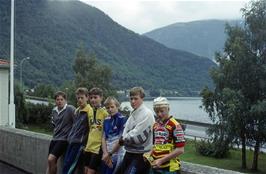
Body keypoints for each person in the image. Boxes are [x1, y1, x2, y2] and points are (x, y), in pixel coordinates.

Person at [115, 87, 155, 174]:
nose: (133, 101)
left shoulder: (147, 114)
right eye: (131, 98)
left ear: (142, 98)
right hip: (129, 152)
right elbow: (126, 129)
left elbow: (137, 136)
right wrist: (124, 137)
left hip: (141, 155)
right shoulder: (133, 113)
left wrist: (123, 139)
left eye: (136, 98)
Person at [145, 97, 185, 174]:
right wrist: (149, 154)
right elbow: (155, 145)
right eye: (157, 112)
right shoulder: (155, 125)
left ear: (168, 109)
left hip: (169, 168)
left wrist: (161, 160)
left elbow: (180, 150)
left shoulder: (175, 125)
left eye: (162, 111)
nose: (159, 114)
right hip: (155, 166)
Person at [62, 87, 92, 174]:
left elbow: (90, 130)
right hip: (71, 141)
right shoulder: (77, 110)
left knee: (70, 167)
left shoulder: (89, 111)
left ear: (87, 98)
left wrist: (84, 144)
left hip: (79, 144)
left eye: (82, 98)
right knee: (66, 164)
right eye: (78, 98)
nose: (80, 100)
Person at [46, 91, 75, 174]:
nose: (59, 101)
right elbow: (54, 125)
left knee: (51, 159)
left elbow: (77, 122)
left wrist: (72, 135)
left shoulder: (70, 109)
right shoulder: (54, 110)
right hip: (55, 138)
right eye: (57, 99)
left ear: (65, 100)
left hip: (64, 139)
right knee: (50, 162)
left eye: (61, 99)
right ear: (55, 101)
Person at [83, 87, 109, 174]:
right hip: (89, 146)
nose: (93, 100)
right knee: (85, 171)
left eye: (95, 97)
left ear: (101, 98)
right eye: (91, 98)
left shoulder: (105, 112)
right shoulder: (89, 112)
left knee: (90, 172)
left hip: (98, 148)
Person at [101, 96, 127, 174]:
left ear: (117, 106)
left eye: (112, 107)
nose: (110, 109)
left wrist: (110, 154)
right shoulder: (106, 120)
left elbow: (121, 140)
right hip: (107, 154)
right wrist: (105, 153)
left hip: (117, 154)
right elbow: (103, 138)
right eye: (108, 108)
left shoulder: (123, 119)